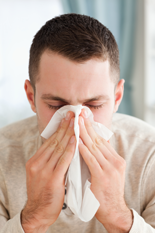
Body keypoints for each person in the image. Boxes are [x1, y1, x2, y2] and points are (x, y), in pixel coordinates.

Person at [0, 13, 155, 233]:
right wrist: (33, 219)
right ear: (31, 97)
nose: (75, 124)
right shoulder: (2, 157)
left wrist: (118, 216)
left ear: (117, 97)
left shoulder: (149, 155)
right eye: (56, 105)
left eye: (94, 105)